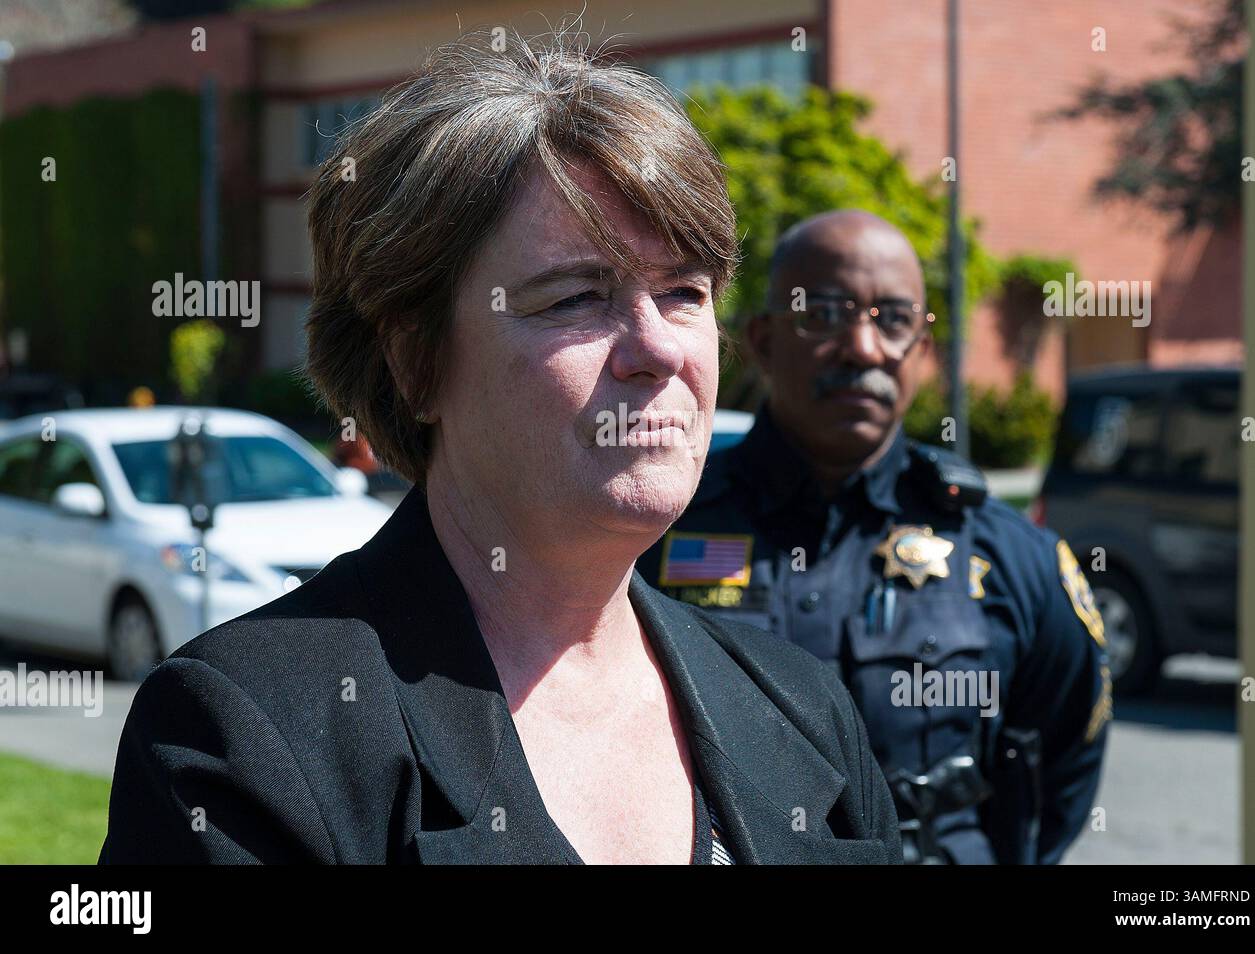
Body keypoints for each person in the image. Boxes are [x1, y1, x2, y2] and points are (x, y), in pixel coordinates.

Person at [99, 33, 901, 865]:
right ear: (416, 361)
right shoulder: (242, 733)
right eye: (576, 298)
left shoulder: (804, 712)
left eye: (683, 293)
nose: (656, 347)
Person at [639, 210, 1110, 864]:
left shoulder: (1004, 550)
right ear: (765, 340)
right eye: (825, 314)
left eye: (893, 319)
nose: (863, 347)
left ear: (923, 347)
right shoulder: (659, 527)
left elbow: (1063, 766)